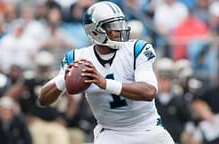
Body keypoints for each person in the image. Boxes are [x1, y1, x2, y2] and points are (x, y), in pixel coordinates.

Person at [38, 1, 174, 144]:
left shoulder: (136, 50)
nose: (119, 30)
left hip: (147, 129)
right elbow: (43, 99)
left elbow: (149, 92)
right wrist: (63, 80)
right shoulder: (78, 59)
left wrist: (104, 83)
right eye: (113, 26)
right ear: (95, 31)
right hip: (111, 133)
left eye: (120, 24)